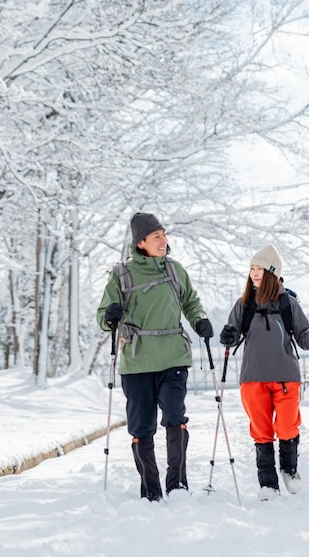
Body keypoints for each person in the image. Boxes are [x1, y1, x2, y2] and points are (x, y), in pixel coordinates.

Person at [97, 212, 213, 501]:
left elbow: (191, 301)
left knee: (175, 416)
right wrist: (110, 316)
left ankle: (178, 485)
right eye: (156, 236)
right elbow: (103, 317)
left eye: (164, 235)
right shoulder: (121, 275)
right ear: (141, 243)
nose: (164, 241)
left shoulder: (174, 270)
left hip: (174, 356)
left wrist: (199, 319)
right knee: (141, 427)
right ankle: (151, 490)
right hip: (137, 362)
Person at [219, 244, 309, 501]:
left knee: (288, 425)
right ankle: (267, 484)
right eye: (252, 269)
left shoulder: (288, 304)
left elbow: (302, 334)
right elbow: (232, 336)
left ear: (272, 272)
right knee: (261, 429)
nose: (254, 273)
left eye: (259, 268)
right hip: (252, 378)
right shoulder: (244, 304)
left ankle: (289, 469)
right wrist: (228, 337)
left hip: (286, 375)